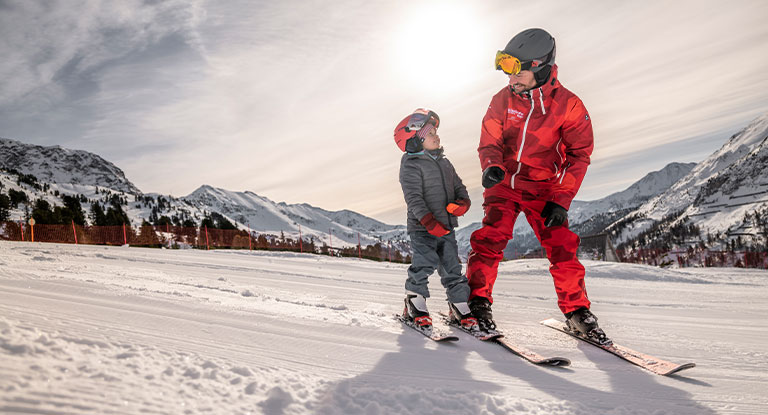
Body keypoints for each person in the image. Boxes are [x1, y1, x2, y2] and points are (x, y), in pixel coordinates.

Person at [467, 28, 610, 344]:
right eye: (505, 67)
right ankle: (476, 301)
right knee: (491, 239)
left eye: (516, 69)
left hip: (543, 189)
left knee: (562, 246)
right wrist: (491, 165)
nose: (510, 77)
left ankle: (577, 311)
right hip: (504, 183)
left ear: (540, 66)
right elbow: (489, 138)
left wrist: (561, 198)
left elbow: (578, 155)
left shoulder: (568, 106)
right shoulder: (502, 100)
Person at [394, 108, 477, 333]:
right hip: (423, 228)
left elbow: (459, 187)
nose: (436, 136)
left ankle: (459, 306)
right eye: (430, 133)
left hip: (447, 226)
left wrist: (463, 202)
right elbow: (414, 199)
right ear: (415, 141)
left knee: (452, 267)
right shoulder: (411, 165)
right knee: (424, 264)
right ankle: (414, 302)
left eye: (436, 131)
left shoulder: (445, 162)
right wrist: (429, 222)